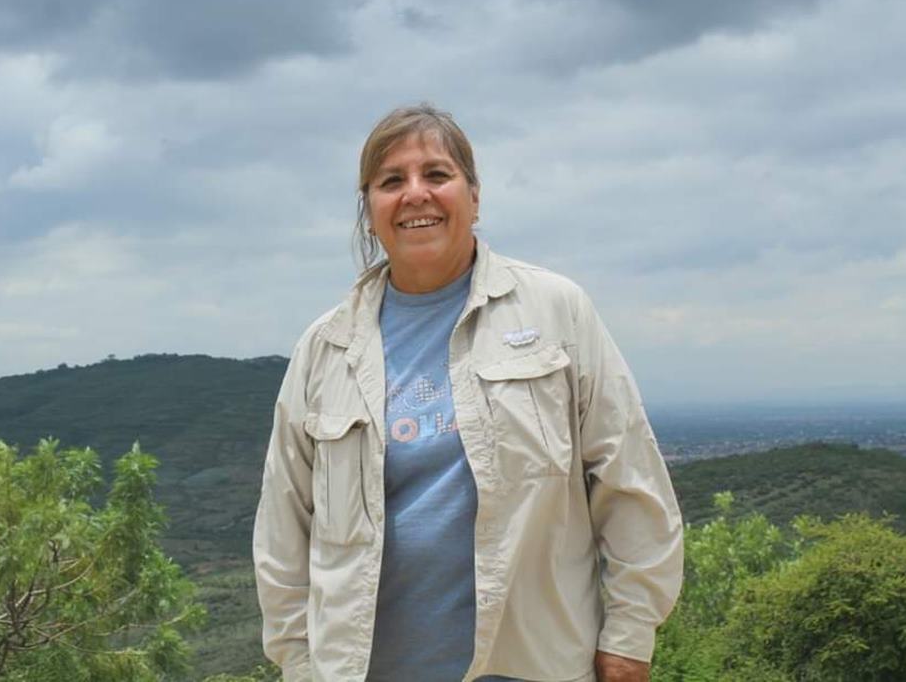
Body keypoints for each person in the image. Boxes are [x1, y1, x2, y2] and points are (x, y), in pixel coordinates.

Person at [253, 104, 683, 682]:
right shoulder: (325, 348)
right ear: (370, 210)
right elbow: (283, 530)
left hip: (534, 666)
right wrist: (299, 664)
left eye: (437, 174)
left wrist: (629, 639)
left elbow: (629, 481)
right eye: (391, 181)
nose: (415, 194)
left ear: (474, 197)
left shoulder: (556, 312)